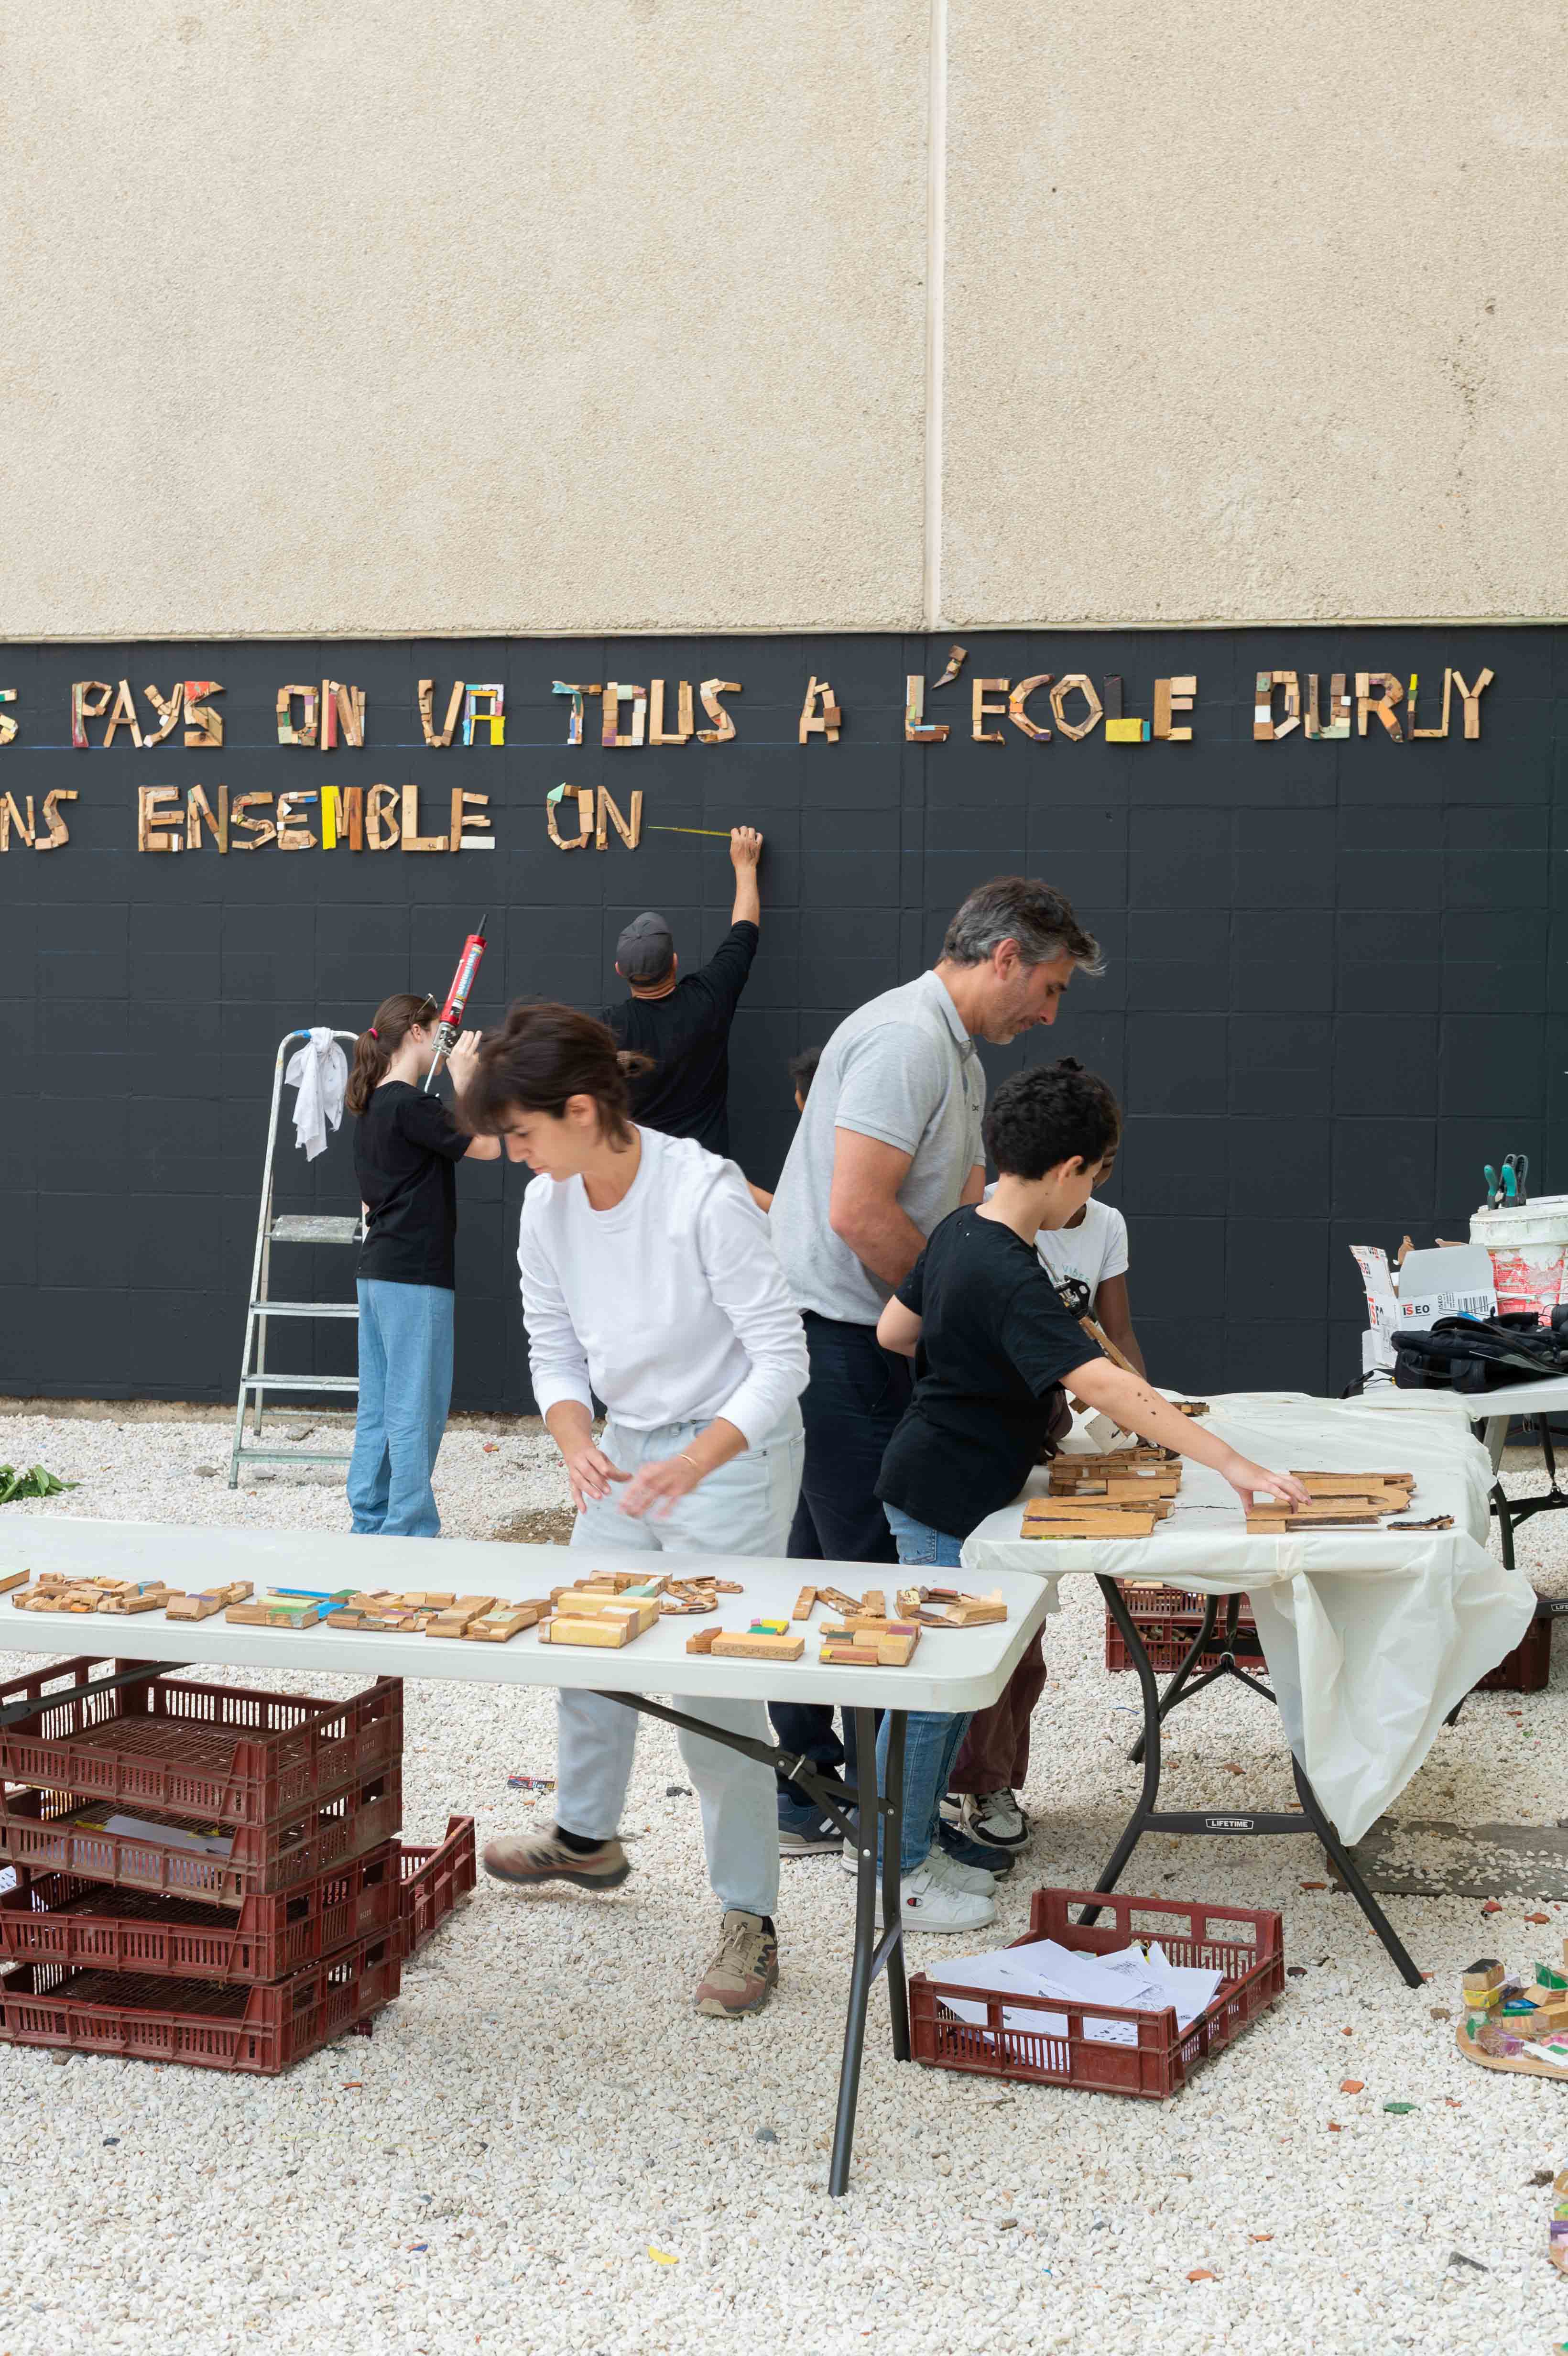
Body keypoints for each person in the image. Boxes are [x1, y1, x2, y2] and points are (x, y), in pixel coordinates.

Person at [872, 1062, 1310, 1931]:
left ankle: (910, 1832)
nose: (1097, 1190)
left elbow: (894, 1329)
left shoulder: (963, 1230)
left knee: (940, 1685)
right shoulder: (1008, 1269)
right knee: (934, 1691)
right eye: (1101, 1171)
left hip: (936, 1480)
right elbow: (1107, 1387)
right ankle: (900, 1870)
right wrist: (1234, 1464)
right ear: (1073, 1167)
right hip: (938, 1499)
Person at [458, 1003, 808, 2018]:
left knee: (713, 1690)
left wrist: (696, 1459)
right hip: (624, 1449)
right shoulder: (549, 1205)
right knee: (586, 1646)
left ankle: (749, 1913)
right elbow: (552, 1344)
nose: (514, 1155)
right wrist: (575, 1438)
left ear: (580, 1109)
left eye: (522, 1133)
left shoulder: (703, 1196)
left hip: (729, 1452)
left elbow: (783, 1361)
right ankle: (586, 1836)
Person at [764, 875, 1102, 1855]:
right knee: (882, 1587)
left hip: (862, 1332)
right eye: (1048, 986)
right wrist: (974, 1318)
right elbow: (859, 1212)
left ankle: (808, 1790)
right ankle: (889, 1829)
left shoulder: (952, 1052)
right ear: (1004, 957)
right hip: (837, 1338)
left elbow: (961, 1217)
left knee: (817, 1567)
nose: (1047, 1010)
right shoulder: (906, 1040)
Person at [345, 993, 500, 1539]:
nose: (444, 1035)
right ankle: (407, 1530)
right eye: (437, 1027)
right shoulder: (412, 1105)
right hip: (414, 1275)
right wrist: (467, 1076)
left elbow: (368, 1203)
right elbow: (488, 1146)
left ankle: (370, 1519)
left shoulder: (369, 1105)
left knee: (382, 1404)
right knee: (416, 1406)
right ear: (415, 1031)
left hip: (378, 1270)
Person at [604, 825, 763, 1156]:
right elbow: (744, 932)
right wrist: (745, 867)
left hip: (643, 1176)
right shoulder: (710, 997)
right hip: (705, 1175)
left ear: (620, 971)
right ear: (675, 962)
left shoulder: (606, 1031)